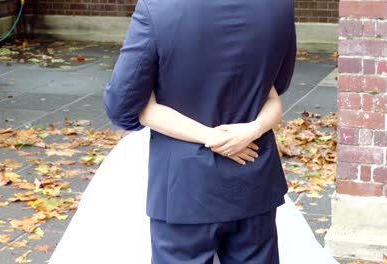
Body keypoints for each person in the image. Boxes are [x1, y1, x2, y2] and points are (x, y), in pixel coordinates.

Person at [49, 0, 339, 263]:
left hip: (184, 184)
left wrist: (204, 132)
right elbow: (277, 83)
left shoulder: (158, 8)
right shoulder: (277, 5)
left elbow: (122, 104)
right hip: (253, 173)